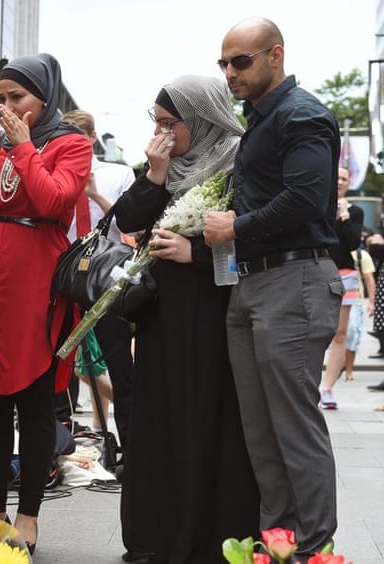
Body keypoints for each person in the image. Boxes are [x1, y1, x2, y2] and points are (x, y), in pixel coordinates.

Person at [205, 17, 342, 558]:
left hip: (296, 280)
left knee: (293, 427)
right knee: (262, 433)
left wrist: (235, 226)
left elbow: (309, 201)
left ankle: (313, 549)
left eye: (241, 61)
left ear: (274, 56)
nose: (230, 73)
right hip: (255, 282)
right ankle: (277, 544)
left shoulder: (301, 113)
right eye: (224, 63)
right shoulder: (260, 118)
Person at [114, 75, 259, 563]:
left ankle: (205, 537)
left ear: (200, 118)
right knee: (161, 418)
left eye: (169, 123)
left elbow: (254, 241)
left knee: (206, 417)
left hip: (216, 314)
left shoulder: (240, 162)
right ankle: (157, 535)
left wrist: (191, 254)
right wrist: (155, 175)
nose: (161, 133)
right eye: (155, 122)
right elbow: (127, 219)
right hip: (162, 317)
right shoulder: (165, 165)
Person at [0, 53, 92, 551]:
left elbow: (52, 201)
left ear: (45, 97)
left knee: (36, 401)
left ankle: (29, 513)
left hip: (39, 283)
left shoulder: (71, 143)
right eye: (2, 98)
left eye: (18, 97)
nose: (8, 106)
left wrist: (20, 149)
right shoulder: (2, 142)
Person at [62, 109, 136, 451]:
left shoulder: (117, 174)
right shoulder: (56, 173)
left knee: (119, 363)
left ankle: (130, 447)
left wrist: (94, 194)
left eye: (79, 134)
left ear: (92, 137)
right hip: (64, 277)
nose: (72, 141)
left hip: (106, 279)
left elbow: (132, 227)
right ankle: (61, 444)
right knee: (60, 363)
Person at [320, 166, 363, 409]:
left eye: (344, 178)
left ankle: (328, 388)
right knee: (314, 331)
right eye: (336, 176)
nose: (339, 181)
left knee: (340, 333)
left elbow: (352, 243)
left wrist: (344, 215)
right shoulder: (318, 204)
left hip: (345, 273)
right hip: (318, 270)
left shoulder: (354, 211)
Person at [344, 245, 375, 381]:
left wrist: (372, 302)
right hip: (334, 299)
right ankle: (338, 365)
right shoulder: (332, 250)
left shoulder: (361, 255)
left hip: (354, 299)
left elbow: (369, 279)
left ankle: (348, 369)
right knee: (337, 335)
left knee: (353, 331)